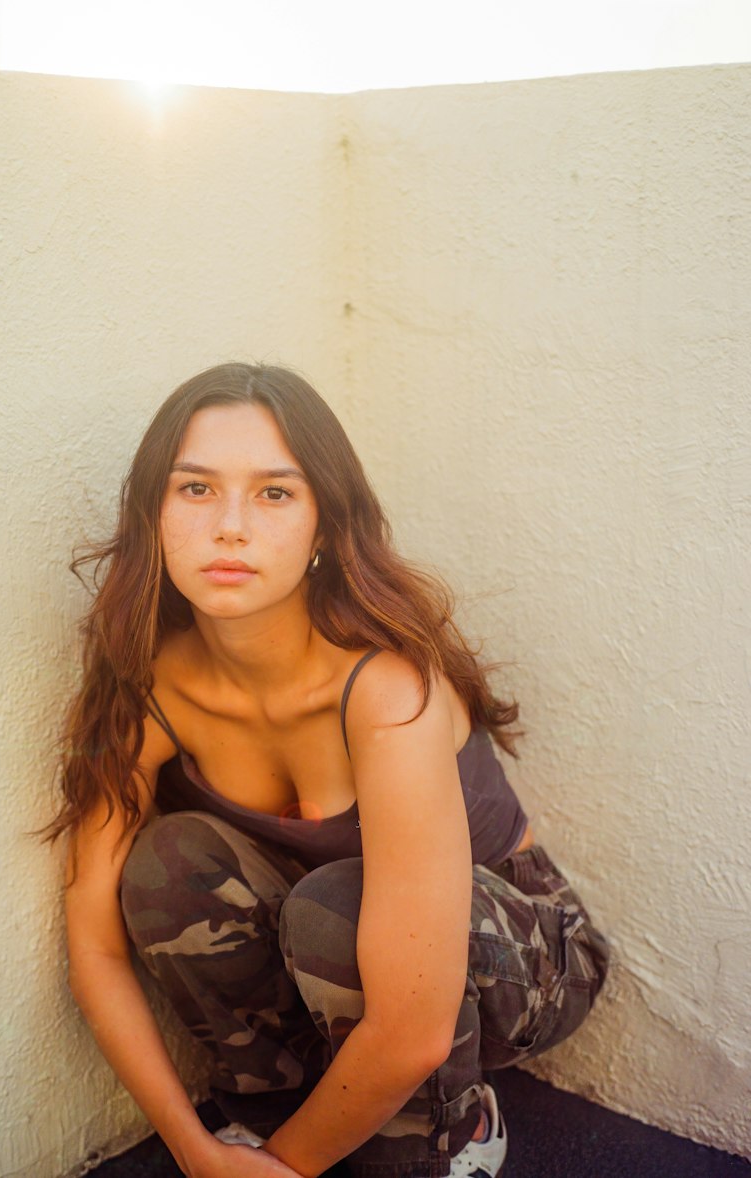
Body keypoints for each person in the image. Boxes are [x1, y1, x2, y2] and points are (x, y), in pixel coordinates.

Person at [47, 362, 609, 1178]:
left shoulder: (384, 688)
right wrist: (196, 1152)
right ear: (151, 514)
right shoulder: (147, 691)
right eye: (195, 490)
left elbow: (414, 1023)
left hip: (516, 958)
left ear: (323, 525)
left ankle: (452, 1125)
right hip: (330, 951)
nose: (229, 526)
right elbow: (94, 949)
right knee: (168, 867)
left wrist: (289, 1171)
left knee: (338, 906)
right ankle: (273, 1106)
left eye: (275, 493)